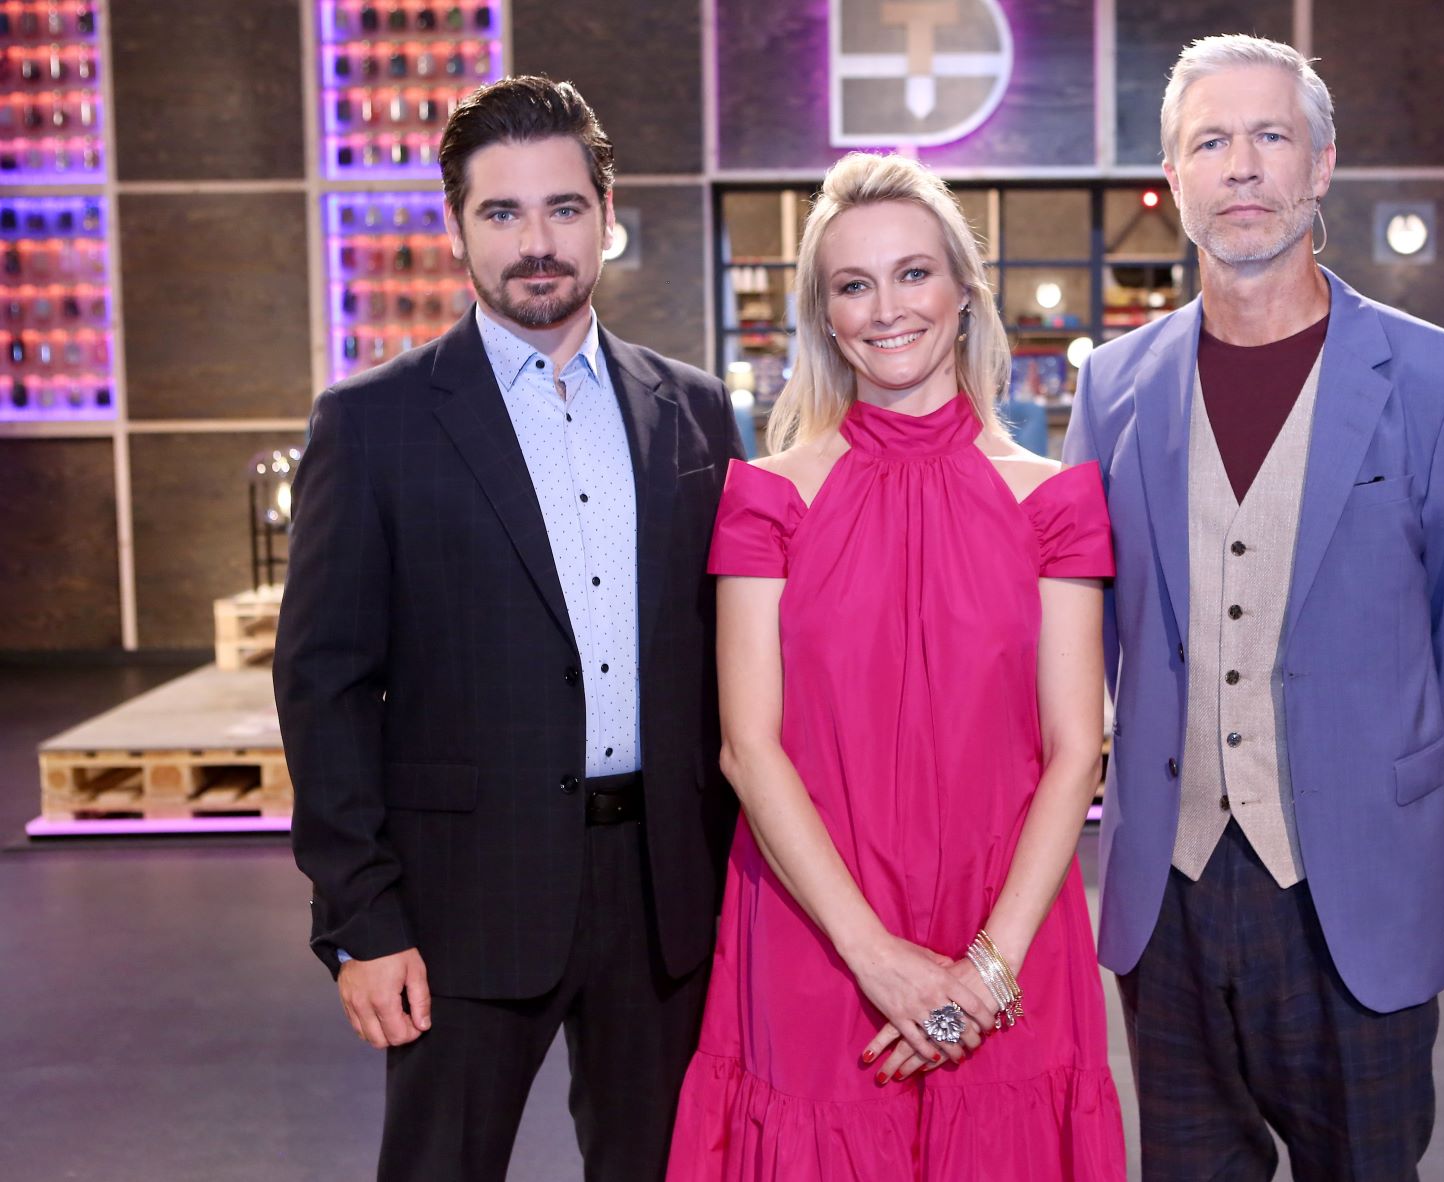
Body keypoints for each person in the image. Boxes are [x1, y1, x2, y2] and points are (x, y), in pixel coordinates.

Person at [1063, 34, 1444, 1181]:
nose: (1242, 165)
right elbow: (1098, 628)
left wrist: (1375, 790)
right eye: (1210, 141)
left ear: (1320, 165)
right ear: (1172, 180)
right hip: (1166, 894)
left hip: (1354, 887)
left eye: (1270, 135)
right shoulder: (1110, 388)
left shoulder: (1443, 383)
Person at [273, 76, 741, 1182]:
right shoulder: (371, 424)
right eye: (502, 212)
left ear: (605, 216)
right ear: (456, 229)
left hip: (666, 896)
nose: (537, 242)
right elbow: (325, 686)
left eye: (563, 208)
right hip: (459, 898)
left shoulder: (694, 409)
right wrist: (362, 917)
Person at [666, 152, 1126, 1180]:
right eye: (853, 285)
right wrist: (876, 960)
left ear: (963, 291)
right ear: (825, 318)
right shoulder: (765, 499)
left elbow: (1075, 751)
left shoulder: (1054, 500)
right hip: (816, 929)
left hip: (1004, 926)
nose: (886, 309)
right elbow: (749, 750)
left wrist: (983, 978)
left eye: (913, 273)